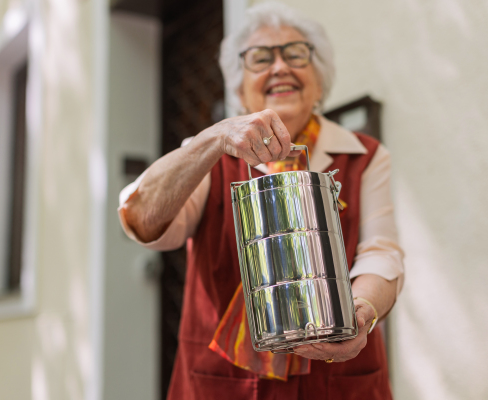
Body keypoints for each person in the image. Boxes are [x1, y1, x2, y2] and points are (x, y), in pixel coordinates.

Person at [118, 2, 404, 399]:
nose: (280, 67)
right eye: (261, 58)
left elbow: (381, 254)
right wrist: (211, 138)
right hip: (223, 383)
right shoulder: (207, 157)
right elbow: (145, 224)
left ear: (320, 83)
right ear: (238, 89)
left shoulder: (365, 155)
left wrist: (364, 312)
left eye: (296, 54)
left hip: (337, 379)